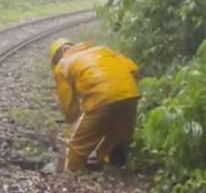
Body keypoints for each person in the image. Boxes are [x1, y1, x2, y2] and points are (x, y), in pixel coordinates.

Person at [48, 38, 141, 172]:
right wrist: (125, 90)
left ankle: (71, 176)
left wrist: (77, 121)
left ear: (56, 58)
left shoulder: (62, 65)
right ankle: (109, 166)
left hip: (100, 98)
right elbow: (134, 69)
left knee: (77, 147)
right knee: (118, 134)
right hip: (130, 94)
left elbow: (69, 106)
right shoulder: (103, 50)